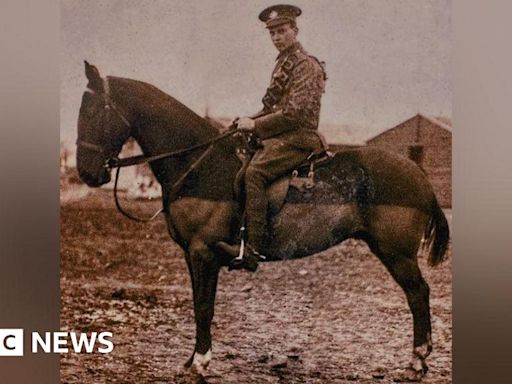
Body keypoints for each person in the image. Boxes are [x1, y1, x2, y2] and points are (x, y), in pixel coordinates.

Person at [221, 4, 327, 271]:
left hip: (299, 138)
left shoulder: (306, 65)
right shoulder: (284, 63)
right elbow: (271, 108)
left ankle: (253, 250)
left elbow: (293, 114)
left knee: (254, 174)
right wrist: (245, 122)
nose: (277, 37)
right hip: (282, 136)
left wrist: (254, 126)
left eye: (282, 31)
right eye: (273, 33)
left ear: (295, 30)